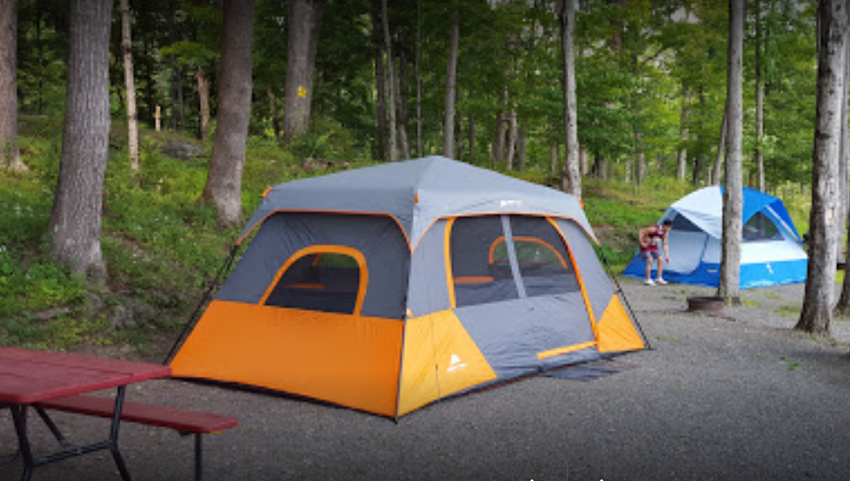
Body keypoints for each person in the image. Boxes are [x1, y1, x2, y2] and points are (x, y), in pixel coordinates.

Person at [639, 219, 673, 286]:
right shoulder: (654, 229)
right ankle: (648, 279)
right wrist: (642, 242)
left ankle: (658, 278)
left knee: (660, 259)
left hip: (654, 246)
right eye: (669, 227)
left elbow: (665, 244)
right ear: (665, 226)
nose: (670, 229)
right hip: (646, 245)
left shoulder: (665, 233)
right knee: (650, 260)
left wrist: (667, 256)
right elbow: (641, 231)